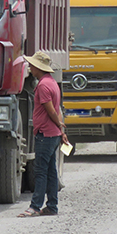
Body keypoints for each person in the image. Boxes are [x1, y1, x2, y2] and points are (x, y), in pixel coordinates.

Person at [18, 51, 69, 217]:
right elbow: (57, 109)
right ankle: (52, 206)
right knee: (51, 172)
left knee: (40, 172)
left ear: (39, 67)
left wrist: (59, 125)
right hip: (53, 134)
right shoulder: (52, 83)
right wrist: (61, 131)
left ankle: (35, 206)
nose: (30, 68)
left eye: (32, 65)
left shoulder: (43, 86)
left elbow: (51, 111)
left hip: (45, 134)